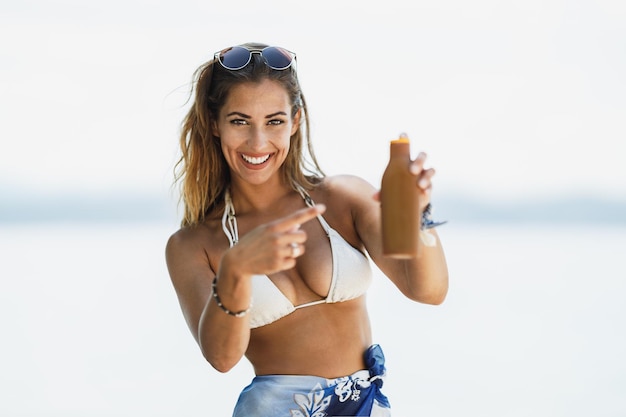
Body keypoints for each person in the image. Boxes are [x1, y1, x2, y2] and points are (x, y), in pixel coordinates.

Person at [165, 42, 449, 417]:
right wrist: (235, 270)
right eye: (239, 121)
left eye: (274, 121)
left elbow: (427, 291)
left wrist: (418, 214)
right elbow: (222, 358)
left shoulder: (342, 199)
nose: (257, 142)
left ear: (295, 120)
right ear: (214, 124)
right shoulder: (194, 245)